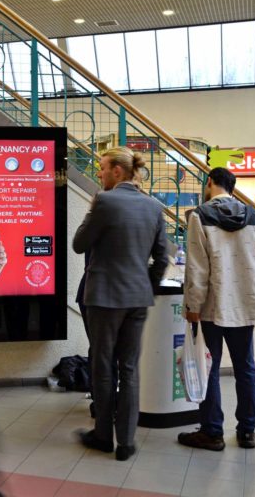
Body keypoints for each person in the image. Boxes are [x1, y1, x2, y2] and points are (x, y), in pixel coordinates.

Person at [72, 147, 168, 461]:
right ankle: (126, 442)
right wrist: (145, 287)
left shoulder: (105, 200)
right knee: (129, 369)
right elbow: (162, 258)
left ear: (116, 171)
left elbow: (79, 244)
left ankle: (103, 435)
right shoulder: (154, 206)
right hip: (137, 299)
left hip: (103, 298)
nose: (98, 173)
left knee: (103, 367)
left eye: (101, 168)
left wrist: (92, 208)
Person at [178, 167, 255, 451]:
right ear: (233, 186)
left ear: (210, 183)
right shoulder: (253, 216)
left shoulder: (199, 215)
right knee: (246, 367)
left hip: (213, 303)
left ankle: (212, 431)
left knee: (210, 367)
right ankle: (247, 431)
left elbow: (197, 267)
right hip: (245, 299)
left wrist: (192, 304)